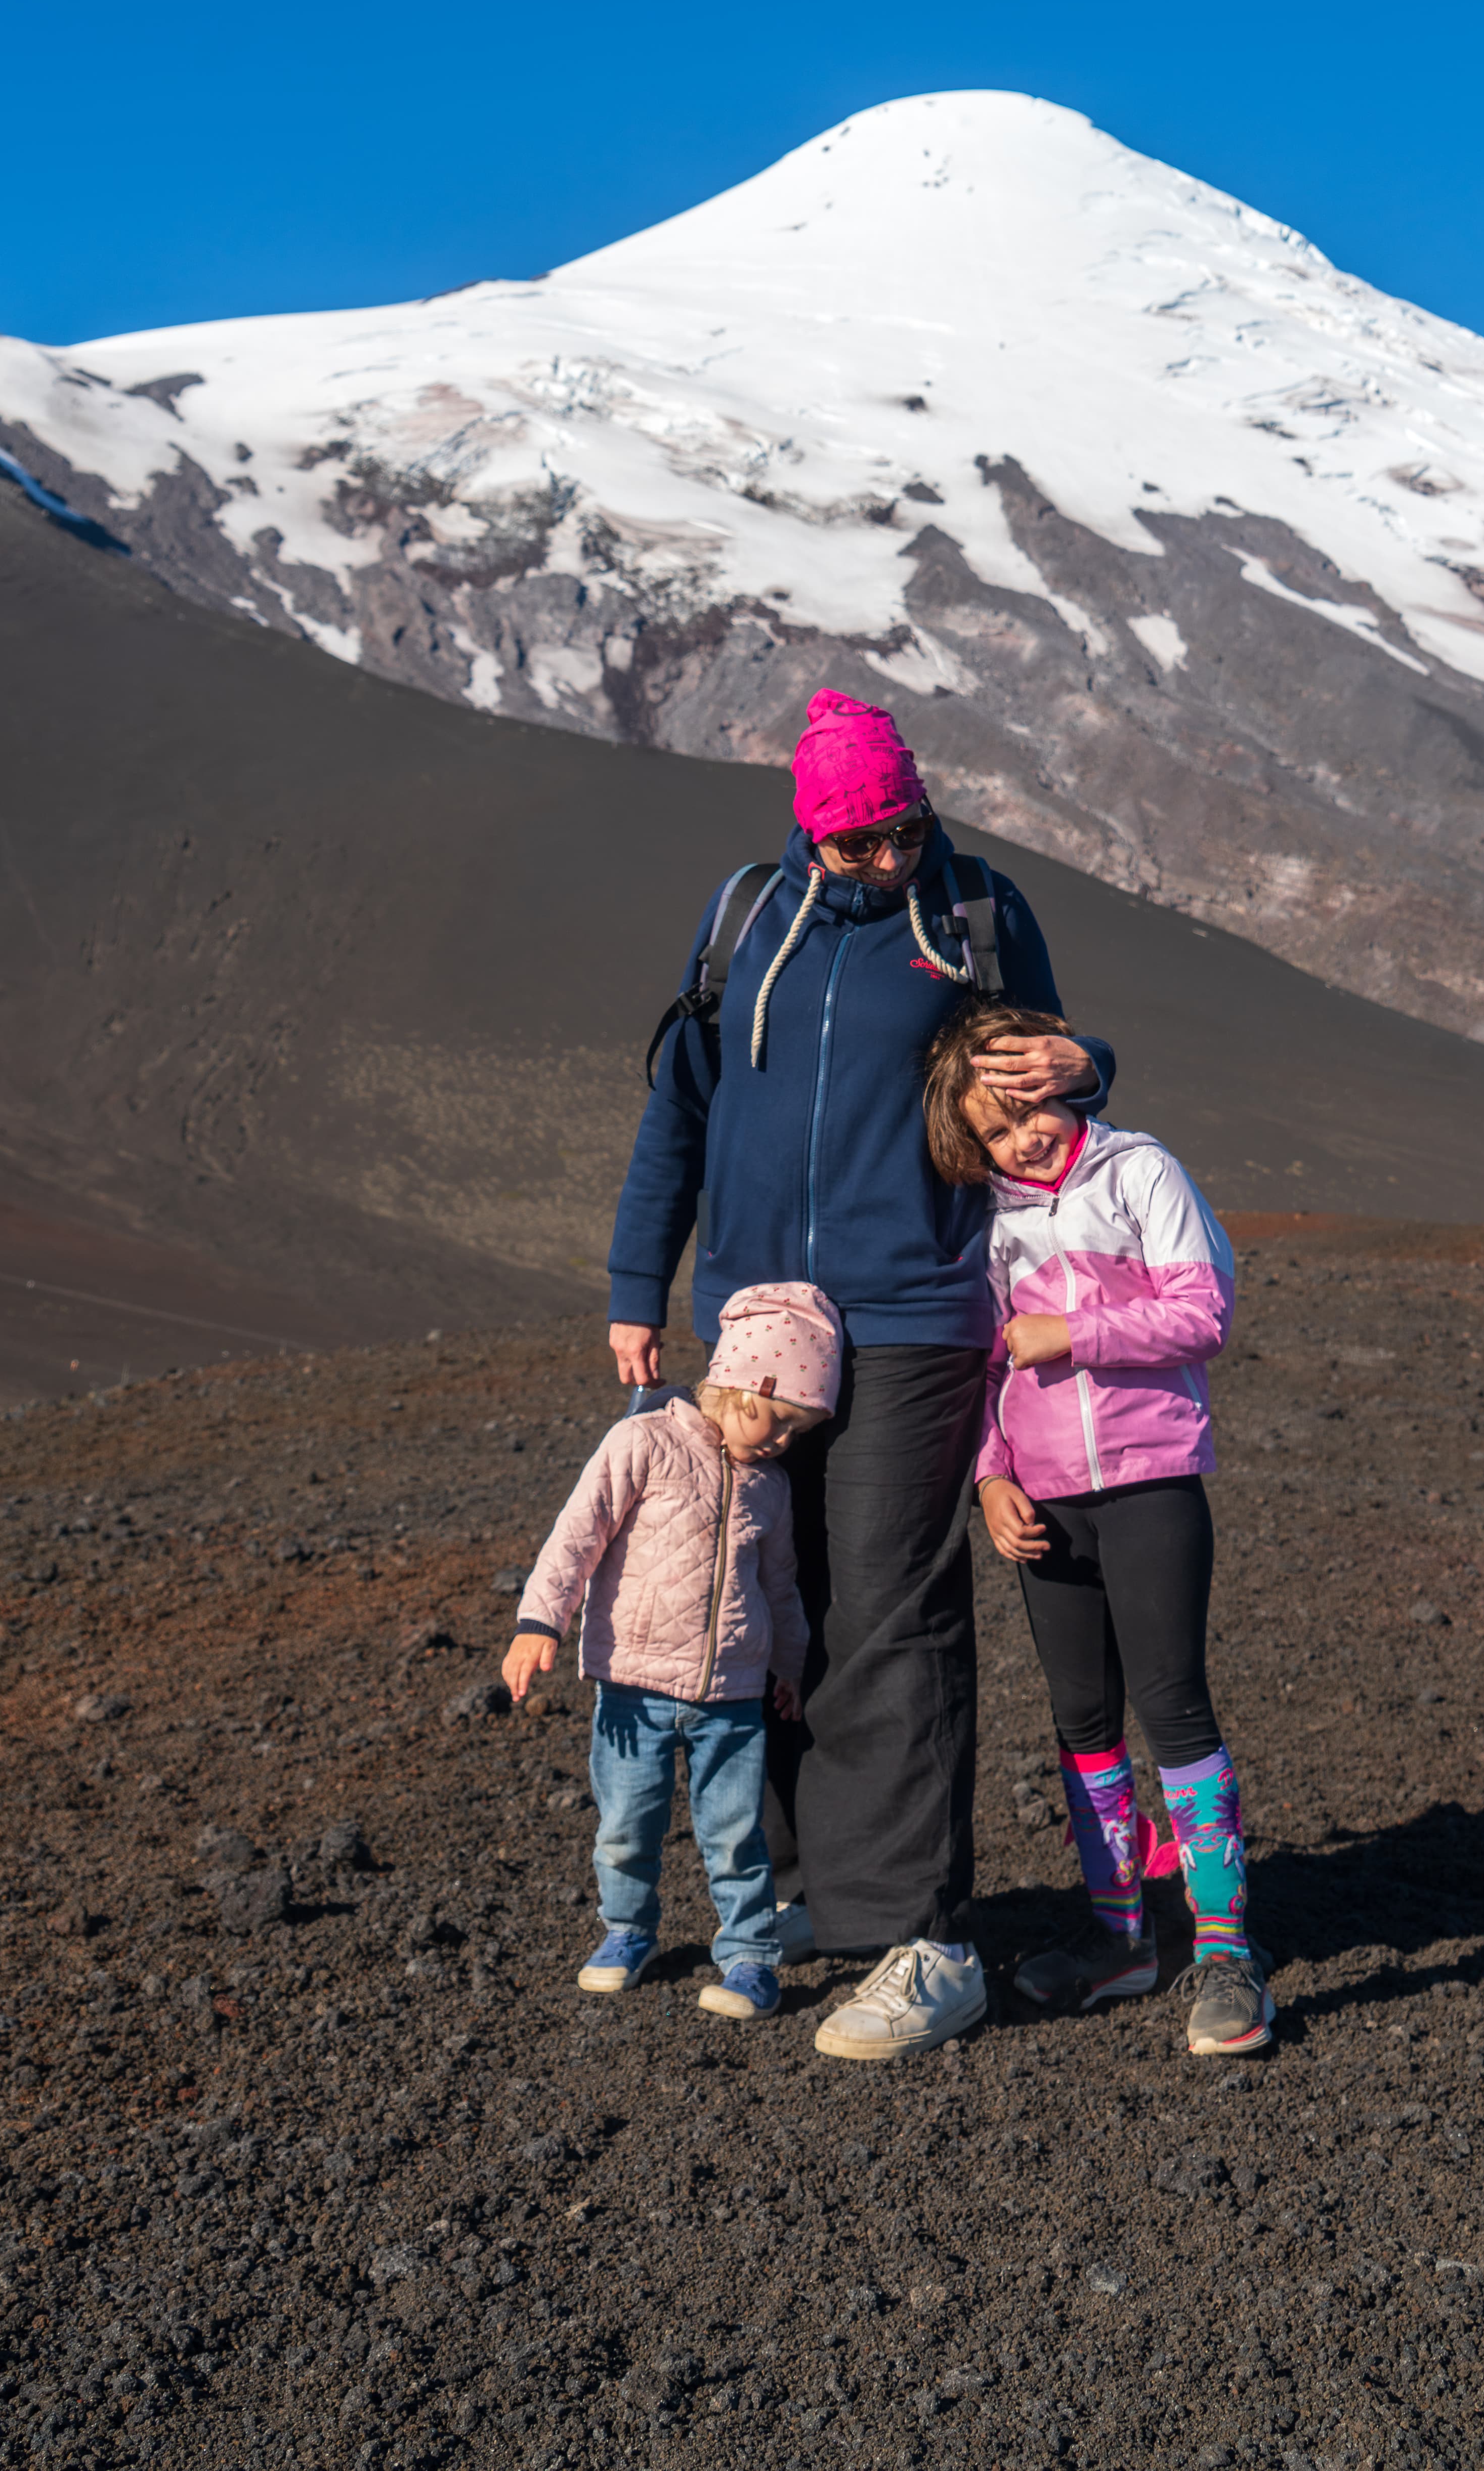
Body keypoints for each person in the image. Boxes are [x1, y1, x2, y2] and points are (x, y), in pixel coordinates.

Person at [608, 686, 1113, 2061]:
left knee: (890, 1600)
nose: (889, 860)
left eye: (904, 830)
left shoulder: (974, 916)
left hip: (915, 1307)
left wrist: (1092, 1061)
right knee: (766, 1595)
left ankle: (924, 1938)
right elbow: (681, 1109)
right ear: (808, 833)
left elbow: (1049, 1088)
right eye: (859, 844)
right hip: (759, 1318)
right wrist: (635, 1284)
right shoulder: (741, 925)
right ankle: (785, 1891)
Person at [922, 996, 1277, 2057]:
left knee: (1171, 1703)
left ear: (1061, 1080)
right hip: (1045, 1499)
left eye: (1029, 1108)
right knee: (1082, 1718)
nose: (1023, 1137)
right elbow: (985, 1363)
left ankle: (1225, 1950)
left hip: (1151, 1475)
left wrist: (1071, 1331)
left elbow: (1204, 1310)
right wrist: (991, 1477)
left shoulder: (1139, 1170)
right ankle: (1121, 1936)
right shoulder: (985, 1215)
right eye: (994, 1128)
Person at [501, 1283, 839, 2021]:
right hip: (632, 1684)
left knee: (735, 1832)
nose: (783, 1443)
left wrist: (787, 1664)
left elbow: (780, 1586)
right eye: (780, 1422)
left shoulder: (771, 1487)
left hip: (733, 1694)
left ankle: (751, 1955)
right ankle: (628, 1931)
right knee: (626, 1824)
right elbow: (577, 1535)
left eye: (796, 1434)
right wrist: (540, 1621)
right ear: (747, 1383)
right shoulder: (642, 1442)